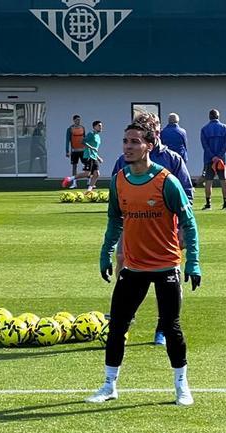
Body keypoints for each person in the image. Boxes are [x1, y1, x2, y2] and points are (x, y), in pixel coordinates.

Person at [88, 120, 201, 407]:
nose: (128, 146)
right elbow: (114, 219)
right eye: (126, 141)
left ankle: (181, 387)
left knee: (171, 327)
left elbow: (188, 222)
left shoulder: (167, 181)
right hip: (134, 268)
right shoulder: (119, 180)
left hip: (166, 266)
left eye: (135, 141)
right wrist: (105, 252)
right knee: (117, 327)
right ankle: (109, 385)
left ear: (149, 146)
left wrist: (193, 262)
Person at [199, 108, 226, 210]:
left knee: (208, 181)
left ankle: (208, 204)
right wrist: (219, 156)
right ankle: (225, 203)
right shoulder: (225, 128)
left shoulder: (204, 129)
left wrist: (213, 157)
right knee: (223, 180)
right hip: (222, 159)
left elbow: (204, 145)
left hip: (209, 159)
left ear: (209, 117)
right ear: (218, 116)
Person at [82, 120, 103, 193]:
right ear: (94, 127)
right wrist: (91, 148)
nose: (101, 127)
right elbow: (83, 142)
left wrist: (98, 157)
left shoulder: (98, 136)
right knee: (87, 174)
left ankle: (89, 190)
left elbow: (95, 149)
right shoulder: (91, 134)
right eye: (99, 126)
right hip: (89, 156)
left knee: (96, 174)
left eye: (101, 126)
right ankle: (71, 179)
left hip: (94, 156)